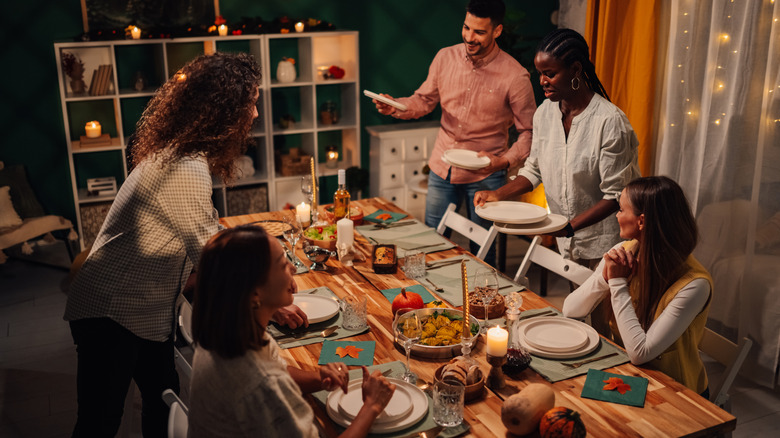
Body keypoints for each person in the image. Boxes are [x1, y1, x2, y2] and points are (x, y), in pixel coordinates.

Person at [63, 52, 292, 437]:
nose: (254, 114)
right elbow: (215, 257)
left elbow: (200, 236)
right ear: (226, 109)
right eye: (251, 102)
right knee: (99, 424)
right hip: (113, 311)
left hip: (143, 310)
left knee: (161, 397)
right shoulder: (186, 168)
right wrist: (271, 297)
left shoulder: (181, 155)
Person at [188, 226, 396, 437]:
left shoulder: (228, 330)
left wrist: (318, 378)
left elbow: (279, 371)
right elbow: (270, 383)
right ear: (254, 294)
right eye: (282, 264)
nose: (294, 268)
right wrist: (372, 406)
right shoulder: (262, 385)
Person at [372, 0, 536, 265]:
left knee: (485, 253)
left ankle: (483, 302)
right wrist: (394, 107)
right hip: (442, 168)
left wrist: (504, 161)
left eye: (479, 32)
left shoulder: (515, 76)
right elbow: (423, 100)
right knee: (431, 244)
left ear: (497, 31)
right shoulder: (444, 57)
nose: (469, 37)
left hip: (487, 174)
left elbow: (529, 132)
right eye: (466, 28)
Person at [562, 176, 713, 395]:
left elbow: (640, 352)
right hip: (626, 375)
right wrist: (603, 279)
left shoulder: (694, 285)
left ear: (641, 221)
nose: (617, 215)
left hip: (677, 391)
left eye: (622, 210)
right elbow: (570, 310)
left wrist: (617, 283)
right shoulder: (627, 251)